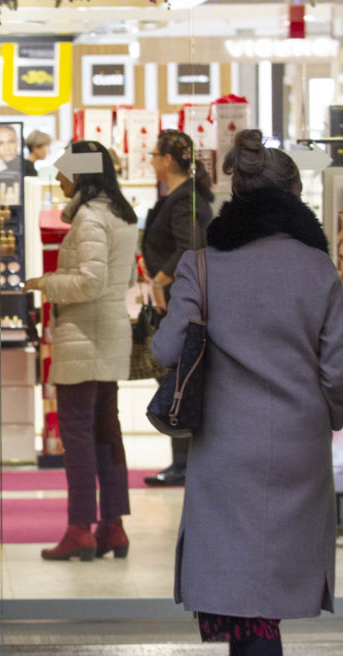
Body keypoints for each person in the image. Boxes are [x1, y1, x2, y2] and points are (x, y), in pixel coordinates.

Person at [152, 129, 343, 656]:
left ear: (236, 194)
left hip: (224, 444)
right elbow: (337, 368)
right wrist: (329, 416)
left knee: (241, 594)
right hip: (299, 443)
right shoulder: (318, 269)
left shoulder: (202, 265)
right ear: (292, 195)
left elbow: (168, 347)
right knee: (271, 591)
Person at [23, 140, 139, 561]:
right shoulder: (122, 216)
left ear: (82, 173)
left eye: (64, 169)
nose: (57, 178)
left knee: (78, 436)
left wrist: (45, 283)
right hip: (109, 336)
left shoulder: (89, 218)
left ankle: (79, 529)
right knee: (108, 435)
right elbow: (121, 282)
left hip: (82, 338)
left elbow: (89, 282)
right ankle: (113, 525)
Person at [140, 130, 214, 488]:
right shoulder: (182, 197)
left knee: (177, 378)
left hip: (179, 303)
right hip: (176, 299)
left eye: (155, 155)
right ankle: (182, 462)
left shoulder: (185, 200)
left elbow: (190, 245)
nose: (152, 161)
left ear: (168, 160)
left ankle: (184, 464)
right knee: (175, 377)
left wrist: (160, 279)